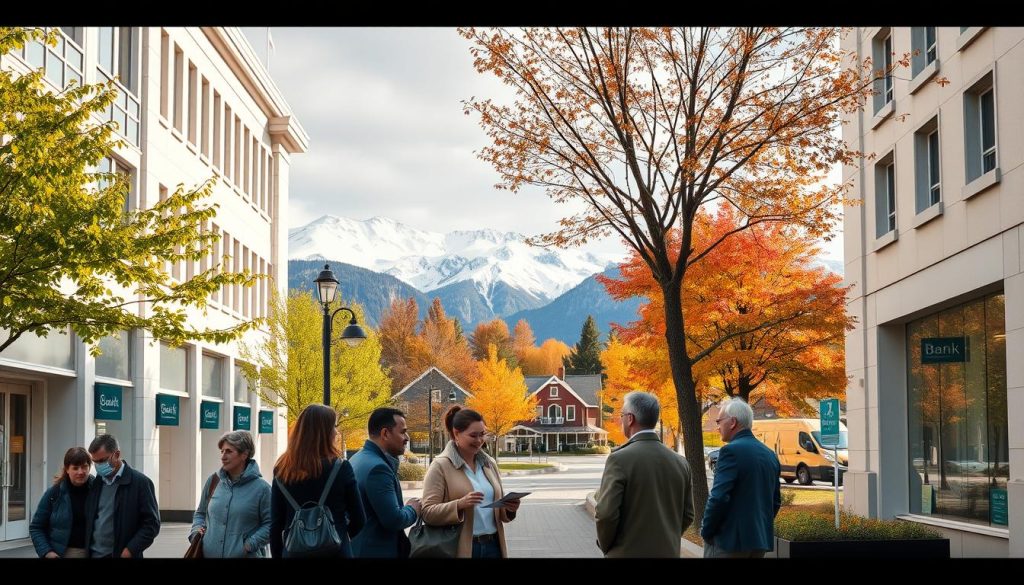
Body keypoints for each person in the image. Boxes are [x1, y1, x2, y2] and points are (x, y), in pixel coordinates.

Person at [594, 391, 694, 557]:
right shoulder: (681, 463)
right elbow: (688, 514)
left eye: (622, 415)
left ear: (630, 418)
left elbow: (605, 513)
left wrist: (607, 546)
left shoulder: (619, 459)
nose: (620, 420)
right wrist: (666, 538)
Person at [421, 405, 519, 558]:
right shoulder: (440, 466)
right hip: (461, 548)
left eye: (483, 434)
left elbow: (498, 511)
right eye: (473, 435)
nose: (479, 440)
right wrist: (459, 504)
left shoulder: (489, 463)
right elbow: (427, 512)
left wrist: (510, 508)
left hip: (494, 546)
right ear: (456, 434)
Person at [270, 404, 365, 558]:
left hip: (294, 553)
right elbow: (359, 519)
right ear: (325, 432)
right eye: (333, 427)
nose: (336, 432)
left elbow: (275, 525)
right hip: (336, 552)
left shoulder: (283, 470)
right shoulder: (340, 467)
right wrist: (339, 533)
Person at [701, 397, 782, 558]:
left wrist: (706, 530)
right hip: (758, 542)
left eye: (719, 421)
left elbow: (718, 497)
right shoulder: (770, 455)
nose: (718, 427)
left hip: (729, 542)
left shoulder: (729, 451)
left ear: (732, 422)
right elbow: (775, 501)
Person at [349, 407, 421, 558]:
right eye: (402, 432)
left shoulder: (357, 458)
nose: (407, 437)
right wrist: (413, 509)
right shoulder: (378, 468)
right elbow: (394, 520)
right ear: (385, 434)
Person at [189, 430, 272, 557]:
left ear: (244, 454)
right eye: (222, 451)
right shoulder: (213, 481)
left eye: (229, 451)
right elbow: (200, 513)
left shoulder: (262, 489)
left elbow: (271, 524)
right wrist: (196, 533)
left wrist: (249, 545)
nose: (223, 456)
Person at [83, 434, 161, 558]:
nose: (98, 466)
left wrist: (130, 550)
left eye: (102, 460)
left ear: (117, 455)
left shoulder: (140, 483)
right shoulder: (96, 482)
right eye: (95, 462)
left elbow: (152, 524)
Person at [29, 447, 94, 558]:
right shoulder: (54, 494)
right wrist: (47, 552)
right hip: (64, 553)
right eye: (75, 468)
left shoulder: (98, 490)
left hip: (95, 552)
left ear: (89, 467)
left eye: (84, 467)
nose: (80, 472)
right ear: (67, 469)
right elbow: (36, 527)